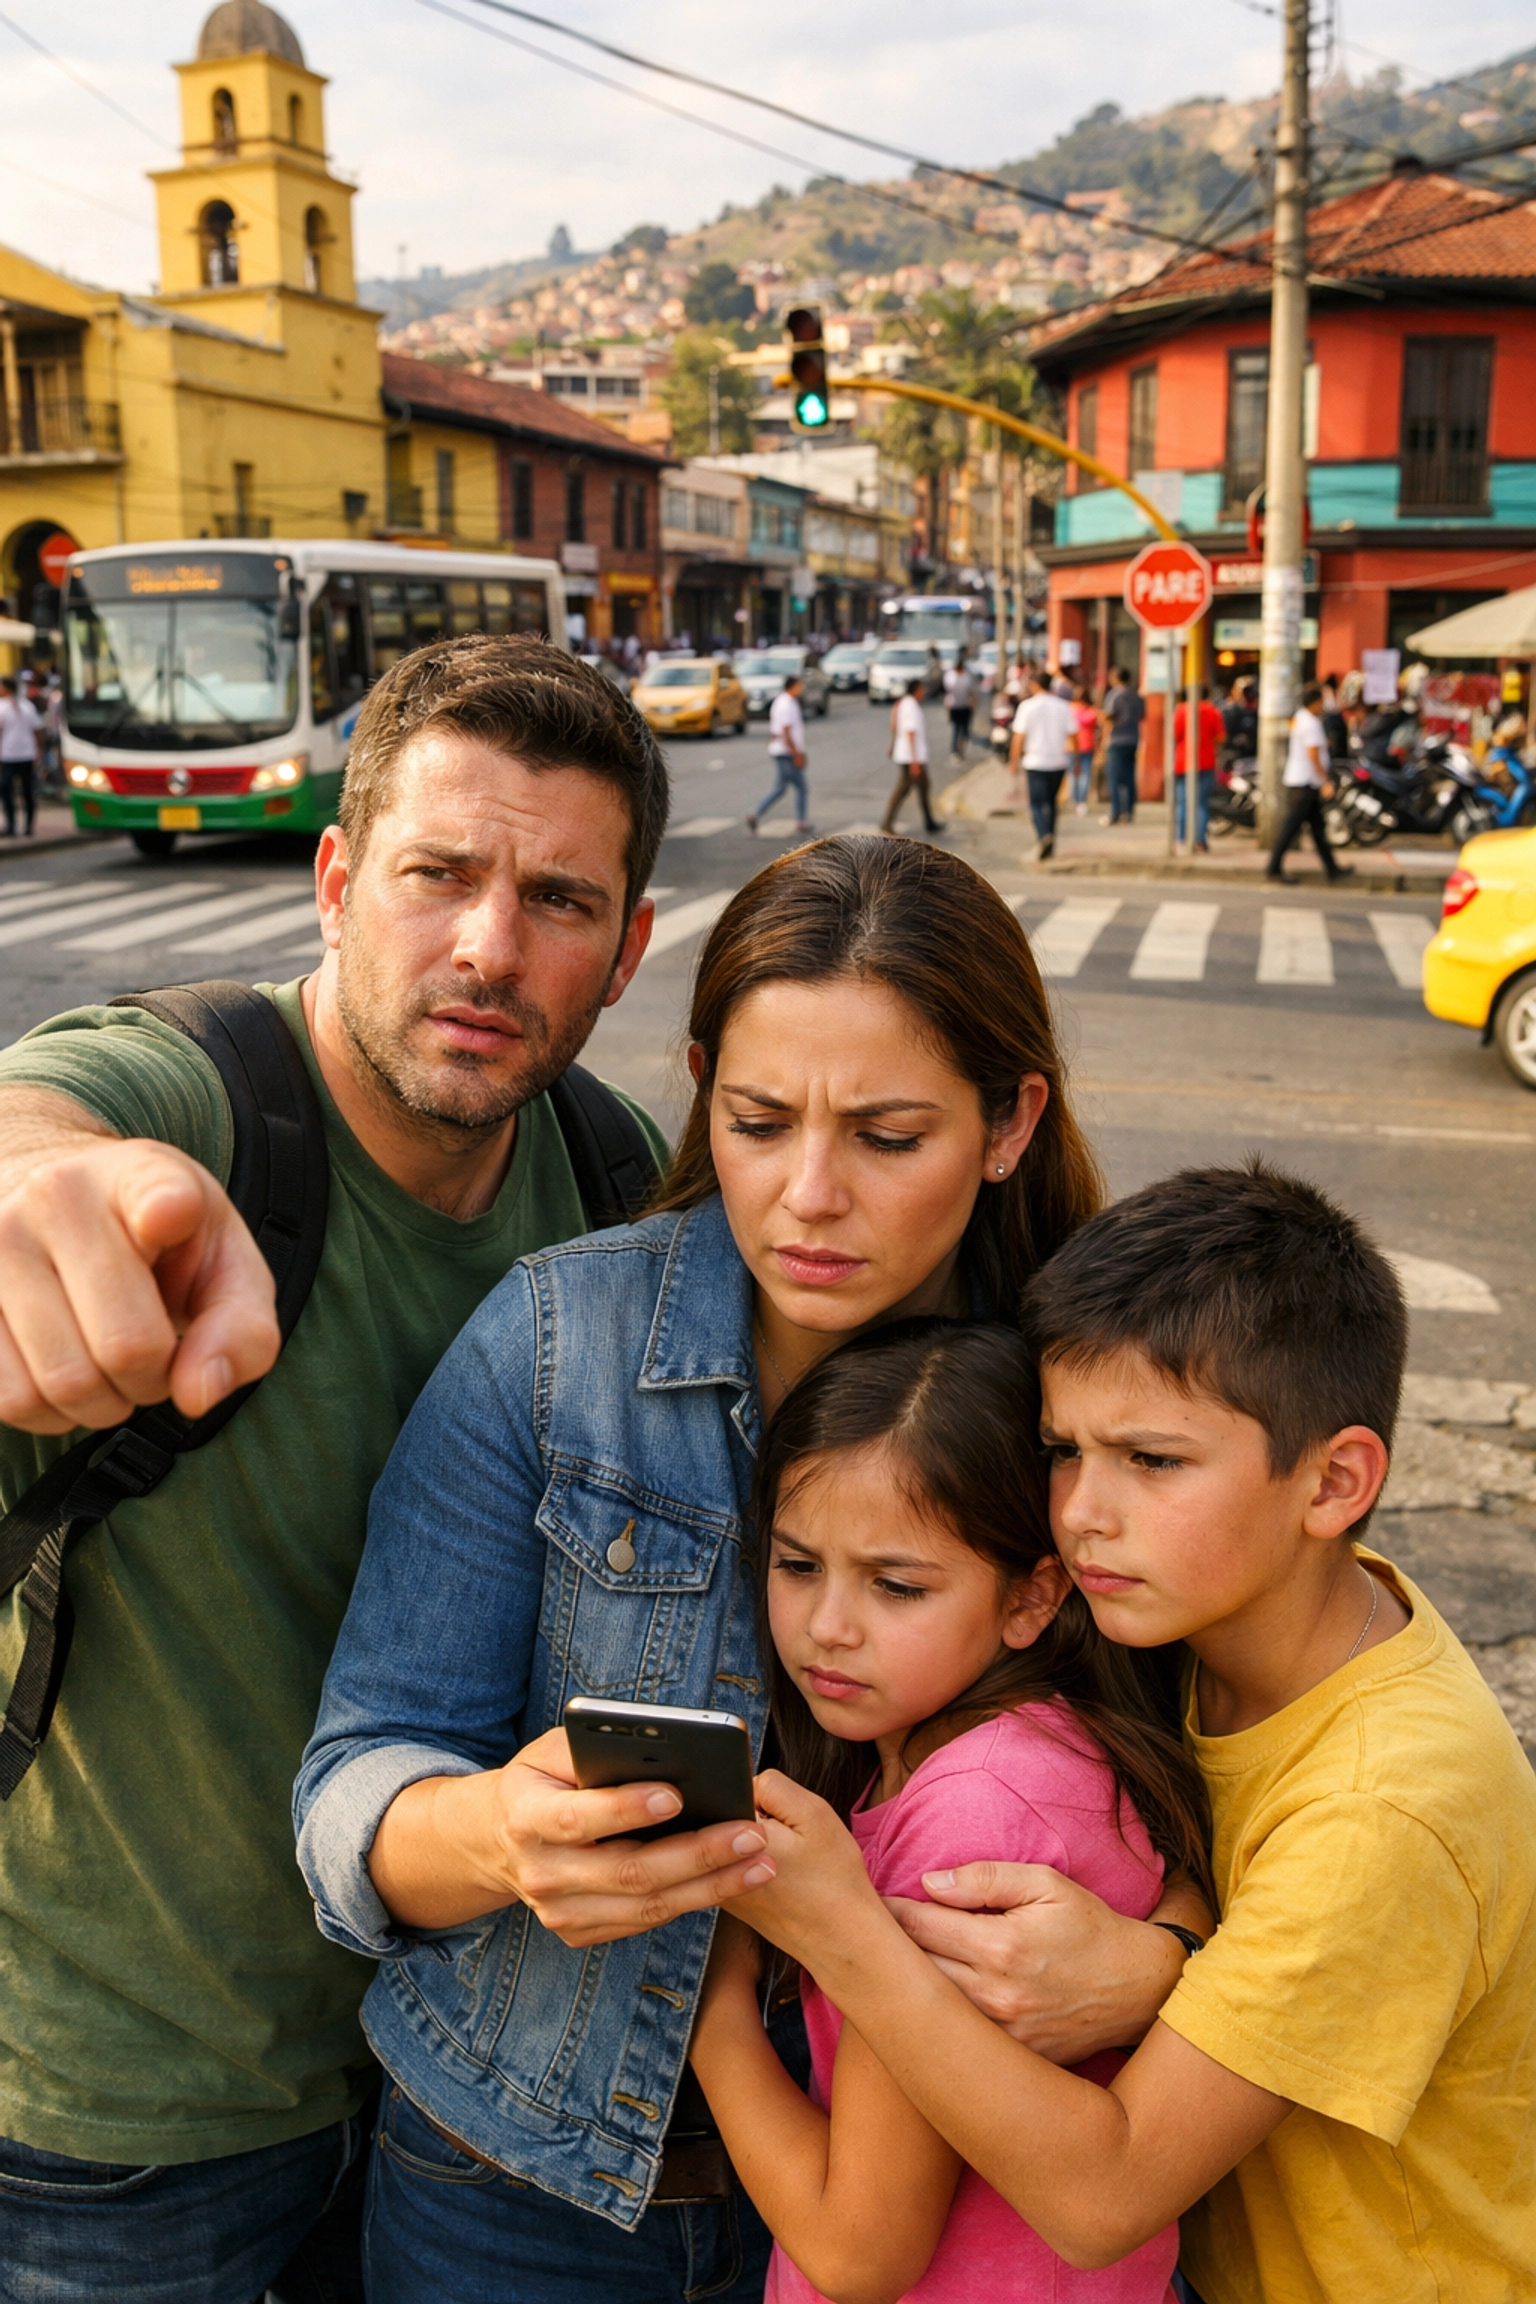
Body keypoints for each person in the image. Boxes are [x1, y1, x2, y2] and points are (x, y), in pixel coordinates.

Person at [295, 836, 1208, 2303]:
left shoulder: (1096, 1390)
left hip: (955, 2217)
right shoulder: (559, 1349)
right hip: (519, 2189)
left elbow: (1244, 1762)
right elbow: (353, 1781)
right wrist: (493, 1834)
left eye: (888, 1137)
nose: (809, 1196)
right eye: (760, 1120)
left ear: (1010, 1120)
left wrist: (1166, 1957)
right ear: (705, 1084)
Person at [0, 636, 670, 2303]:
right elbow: (44, 1126)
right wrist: (44, 1199)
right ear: (334, 877)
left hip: (445, 2087)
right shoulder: (202, 1100)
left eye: (561, 901)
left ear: (631, 947)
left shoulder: (609, 1175)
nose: (489, 946)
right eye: (437, 872)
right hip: (118, 2116)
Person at [715, 1161, 1536, 2304]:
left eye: (1153, 1461)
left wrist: (833, 1932)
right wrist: (1173, 1956)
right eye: (1065, 1450)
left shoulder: (1384, 1805)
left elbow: (1101, 2197)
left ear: (1335, 1481)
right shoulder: (1226, 1620)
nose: (1084, 1513)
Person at [688, 1321, 1210, 2304]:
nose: (828, 1628)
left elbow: (859, 2254)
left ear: (1031, 1599)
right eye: (798, 1565)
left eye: (896, 1585)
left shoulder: (967, 1826)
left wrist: (710, 1997)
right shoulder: (1031, 1756)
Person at [1267, 681, 1349, 884]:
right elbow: (1313, 754)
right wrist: (1325, 781)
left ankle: (1332, 868)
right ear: (1316, 701)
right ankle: (1273, 868)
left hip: (1305, 781)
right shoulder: (1310, 723)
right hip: (1307, 782)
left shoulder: (1301, 718)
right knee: (1291, 828)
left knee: (1317, 828)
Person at [1008, 669, 1077, 861]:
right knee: (1052, 803)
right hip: (1058, 761)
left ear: (1035, 685)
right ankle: (1050, 840)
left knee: (1037, 804)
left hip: (1036, 761)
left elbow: (1018, 737)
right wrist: (1076, 760)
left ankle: (1043, 835)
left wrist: (1014, 761)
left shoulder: (1027, 707)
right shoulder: (1063, 706)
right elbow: (1073, 736)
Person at [749, 673, 812, 837]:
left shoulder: (784, 701)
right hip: (786, 752)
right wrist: (796, 753)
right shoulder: (787, 704)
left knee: (783, 788)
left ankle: (757, 815)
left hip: (782, 750)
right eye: (800, 685)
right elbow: (786, 730)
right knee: (797, 788)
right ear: (793, 686)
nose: (802, 688)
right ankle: (800, 821)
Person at [1172, 683, 1225, 853]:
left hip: (1183, 762)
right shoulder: (1212, 711)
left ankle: (1181, 839)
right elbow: (1221, 737)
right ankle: (1200, 840)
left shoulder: (1181, 710)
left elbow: (1174, 734)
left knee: (1183, 803)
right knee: (1201, 803)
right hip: (1206, 761)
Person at [884, 677, 940, 834]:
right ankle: (887, 823)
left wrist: (893, 744)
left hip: (906, 754)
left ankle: (929, 822)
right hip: (911, 756)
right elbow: (910, 731)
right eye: (922, 690)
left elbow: (894, 723)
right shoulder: (911, 706)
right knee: (905, 789)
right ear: (916, 690)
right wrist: (915, 761)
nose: (923, 693)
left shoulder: (902, 703)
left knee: (921, 787)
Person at [1100, 666, 1143, 826]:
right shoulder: (1136, 696)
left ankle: (1116, 811)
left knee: (1114, 778)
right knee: (1130, 777)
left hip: (1116, 739)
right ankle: (1129, 811)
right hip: (1133, 738)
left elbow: (1108, 716)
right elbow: (1142, 715)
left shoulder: (1114, 695)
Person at [0, 672, 41, 837]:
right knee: (26, 791)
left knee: (8, 790)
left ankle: (13, 826)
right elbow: (38, 731)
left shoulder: (6, 706)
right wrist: (38, 750)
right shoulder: (28, 706)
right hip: (24, 754)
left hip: (10, 755)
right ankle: (26, 826)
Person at [1070, 683, 1099, 813]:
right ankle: (1076, 799)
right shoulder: (1070, 708)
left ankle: (1081, 800)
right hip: (1072, 747)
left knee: (1084, 775)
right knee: (1074, 775)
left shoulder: (1091, 710)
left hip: (1086, 745)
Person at [943, 649, 975, 766]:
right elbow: (949, 692)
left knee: (965, 729)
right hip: (954, 706)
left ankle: (961, 749)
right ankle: (955, 751)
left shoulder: (966, 676)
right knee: (956, 729)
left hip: (965, 705)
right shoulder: (950, 676)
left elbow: (970, 691)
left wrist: (972, 703)